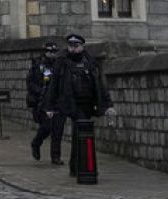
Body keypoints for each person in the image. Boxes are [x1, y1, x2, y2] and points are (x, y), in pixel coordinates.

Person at [42, 33, 115, 174]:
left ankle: (77, 166)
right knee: (66, 131)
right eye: (70, 46)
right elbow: (54, 85)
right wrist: (49, 106)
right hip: (66, 102)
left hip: (85, 104)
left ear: (82, 46)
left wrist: (107, 104)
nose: (73, 49)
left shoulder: (90, 62)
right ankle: (66, 161)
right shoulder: (62, 61)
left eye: (76, 46)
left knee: (80, 135)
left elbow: (99, 85)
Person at [26, 41, 59, 161]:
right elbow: (30, 82)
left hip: (54, 101)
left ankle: (55, 156)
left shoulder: (58, 65)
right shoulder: (38, 64)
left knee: (56, 129)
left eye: (54, 52)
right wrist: (39, 91)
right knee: (46, 127)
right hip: (41, 101)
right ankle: (36, 142)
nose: (52, 54)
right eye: (49, 51)